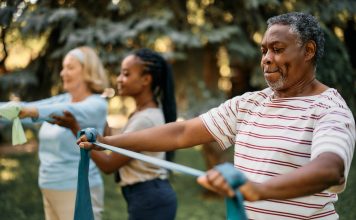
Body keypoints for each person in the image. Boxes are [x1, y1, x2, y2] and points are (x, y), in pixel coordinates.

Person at [78, 12, 355, 219]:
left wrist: (258, 190)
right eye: (264, 51)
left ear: (308, 51)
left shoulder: (329, 109)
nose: (266, 58)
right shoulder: (249, 104)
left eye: (277, 49)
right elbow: (181, 132)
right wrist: (108, 141)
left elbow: (329, 169)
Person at [55, 48, 178, 220]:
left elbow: (109, 164)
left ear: (146, 79)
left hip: (150, 199)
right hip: (148, 195)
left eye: (126, 74)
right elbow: (116, 145)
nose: (119, 79)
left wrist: (75, 129)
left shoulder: (145, 119)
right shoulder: (142, 112)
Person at [17, 46, 108, 220]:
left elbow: (60, 111)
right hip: (49, 186)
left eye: (70, 67)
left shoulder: (97, 104)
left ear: (87, 71)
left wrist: (31, 111)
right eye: (63, 67)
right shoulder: (62, 99)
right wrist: (10, 110)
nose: (62, 73)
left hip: (77, 187)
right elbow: (26, 111)